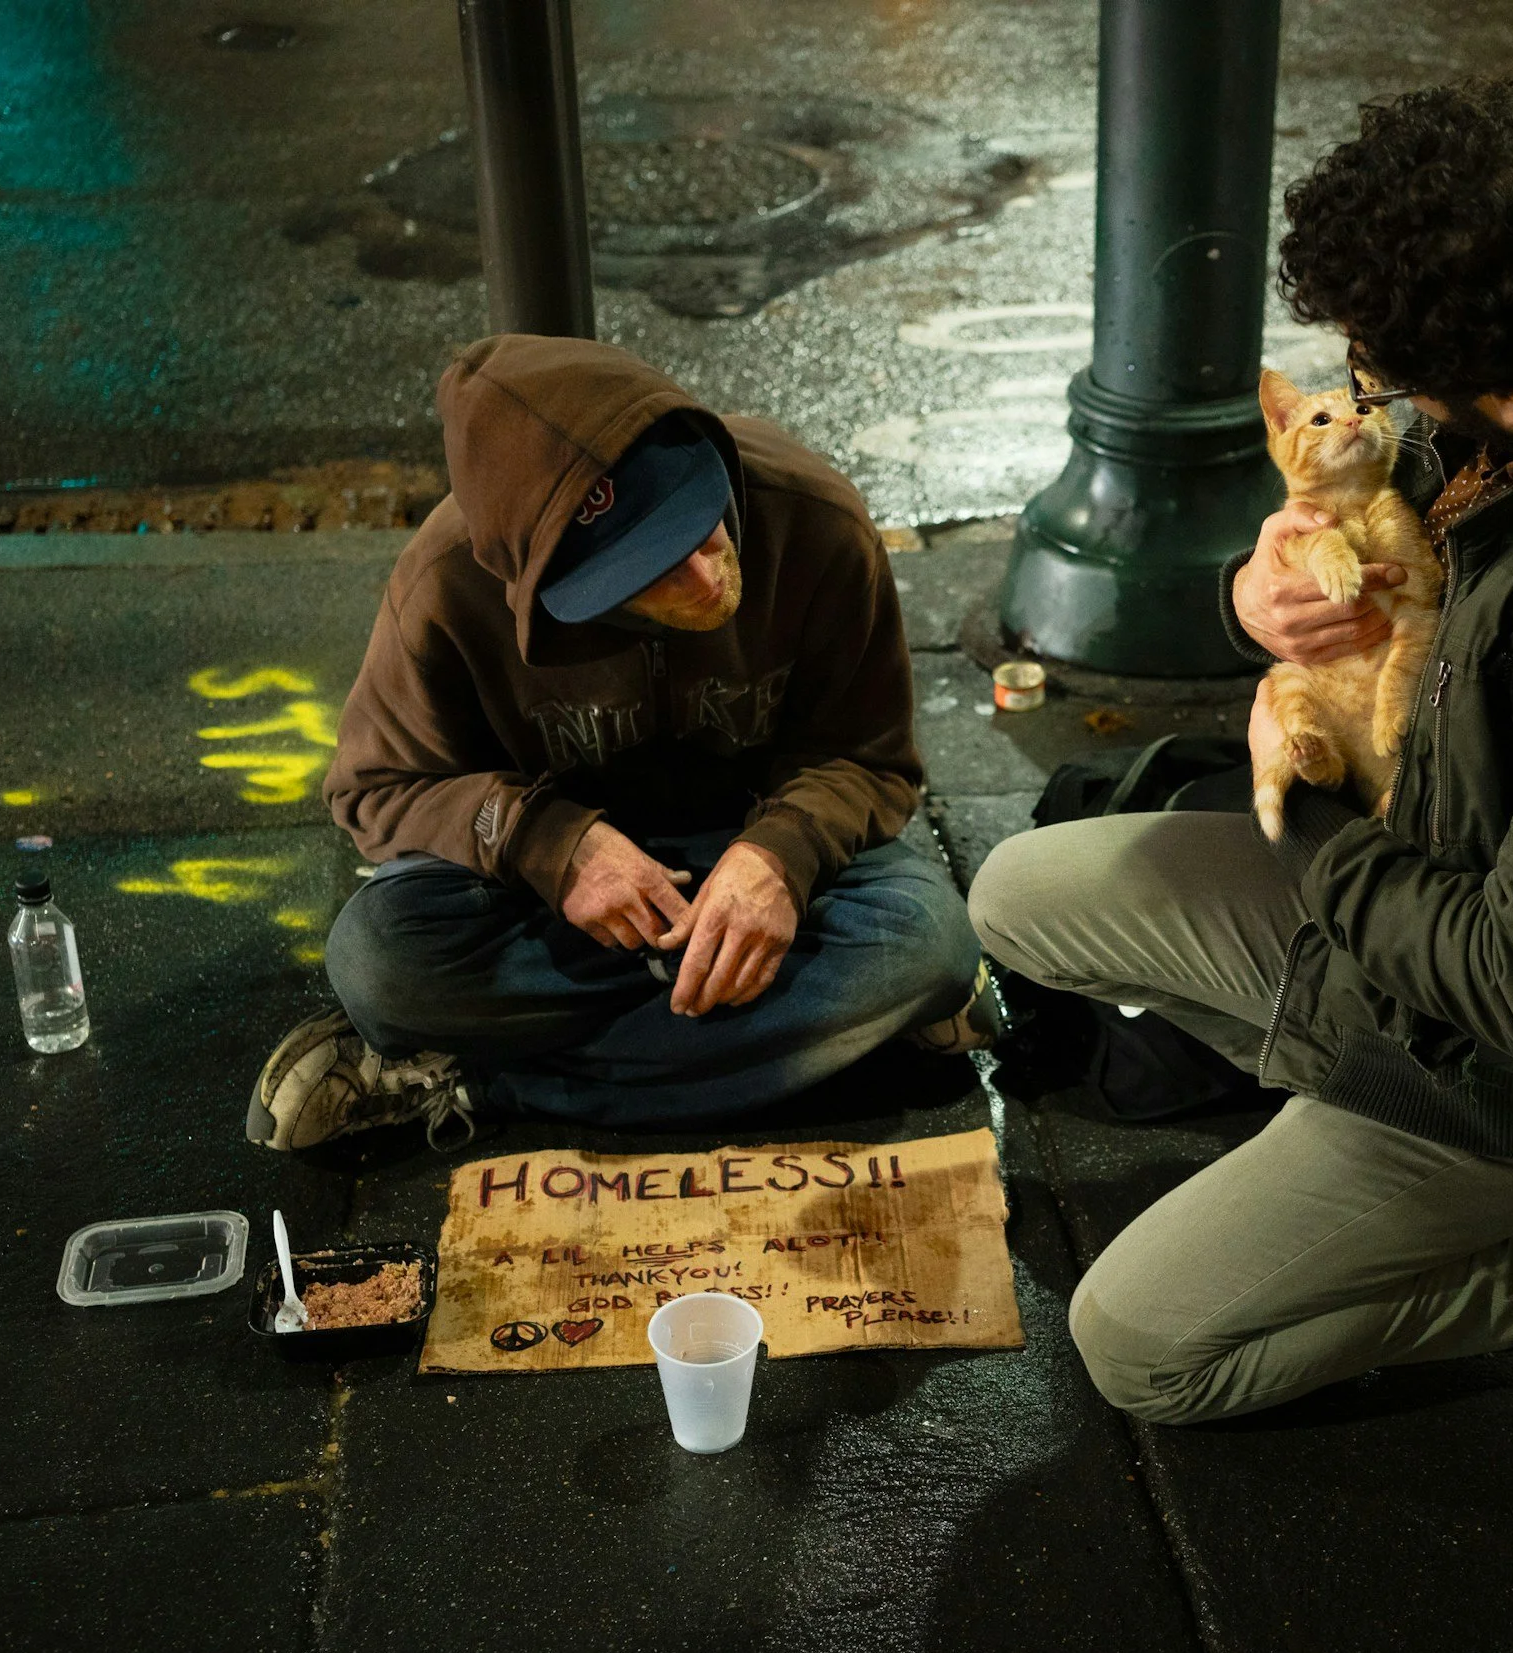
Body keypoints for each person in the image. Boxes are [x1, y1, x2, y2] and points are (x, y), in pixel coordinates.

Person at [971, 77, 1513, 1420]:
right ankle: (1340, 1120)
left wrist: (1301, 796)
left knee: (1142, 1351)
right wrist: (1255, 596)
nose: (1373, 405)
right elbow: (1378, 534)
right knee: (1015, 897)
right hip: (1412, 872)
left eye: (1385, 381)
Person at [248, 335, 985, 1153]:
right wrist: (544, 841)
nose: (709, 581)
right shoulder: (449, 582)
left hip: (759, 847)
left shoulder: (816, 515)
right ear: (554, 587)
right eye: (654, 571)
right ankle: (820, 1045)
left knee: (932, 944)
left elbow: (868, 758)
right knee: (381, 963)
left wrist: (780, 855)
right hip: (547, 902)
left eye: (703, 528)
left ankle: (474, 1082)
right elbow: (373, 789)